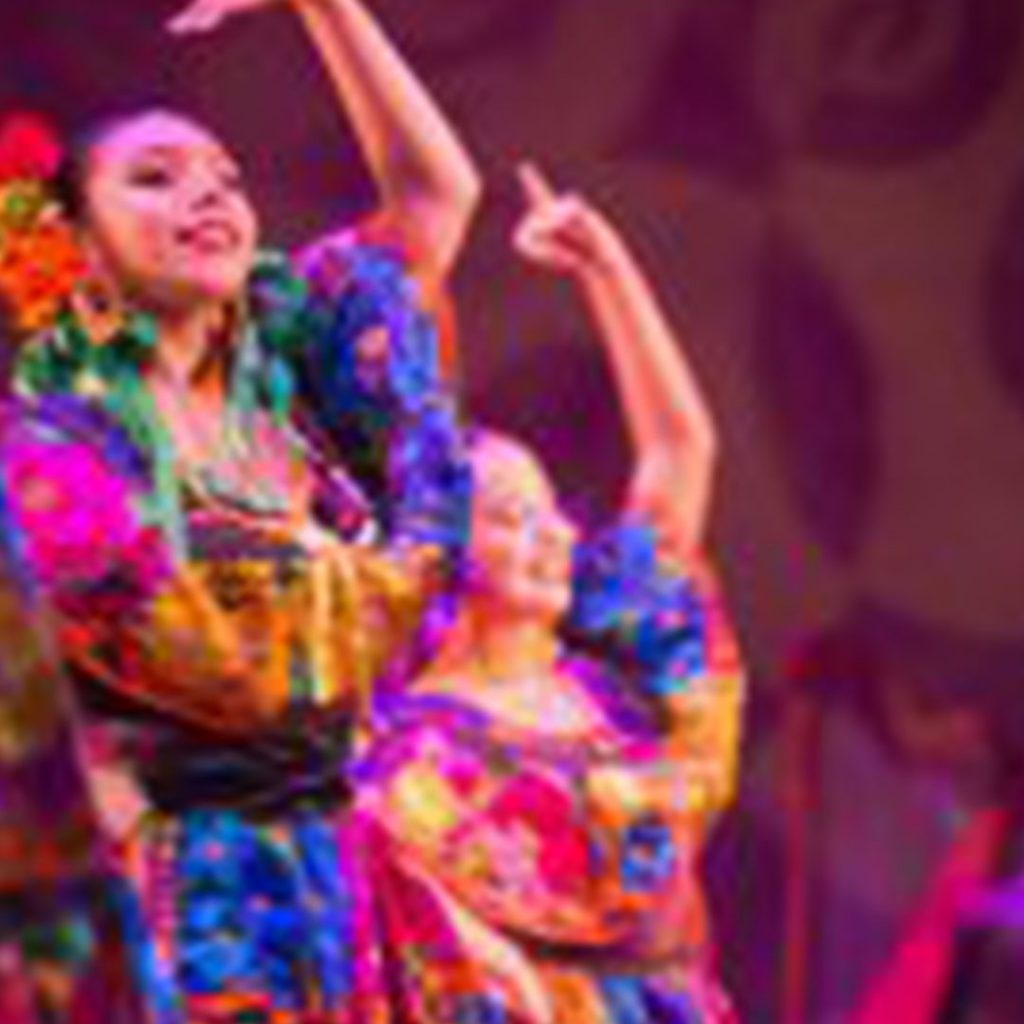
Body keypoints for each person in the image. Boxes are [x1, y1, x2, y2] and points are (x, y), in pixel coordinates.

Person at [0, 0, 479, 1018]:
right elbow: (167, 674)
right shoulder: (54, 452)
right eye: (156, 177)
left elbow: (436, 198)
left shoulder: (295, 383)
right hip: (176, 893)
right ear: (73, 242)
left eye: (225, 177)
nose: (208, 194)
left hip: (341, 879)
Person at [352, 164, 745, 1023]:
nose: (556, 531)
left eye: (552, 509)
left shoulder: (611, 684)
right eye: (511, 515)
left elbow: (680, 454)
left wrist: (607, 270)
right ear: (442, 552)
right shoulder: (410, 751)